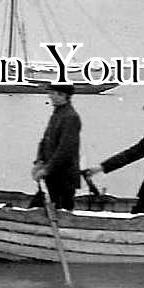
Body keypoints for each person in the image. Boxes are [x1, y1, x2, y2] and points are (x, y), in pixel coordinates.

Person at [31, 83, 81, 211]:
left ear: (63, 95)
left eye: (53, 93)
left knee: (62, 211)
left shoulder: (70, 117)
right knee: (46, 208)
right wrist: (39, 162)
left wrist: (46, 170)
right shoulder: (58, 114)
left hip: (64, 177)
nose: (50, 96)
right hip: (52, 176)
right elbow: (44, 141)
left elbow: (65, 150)